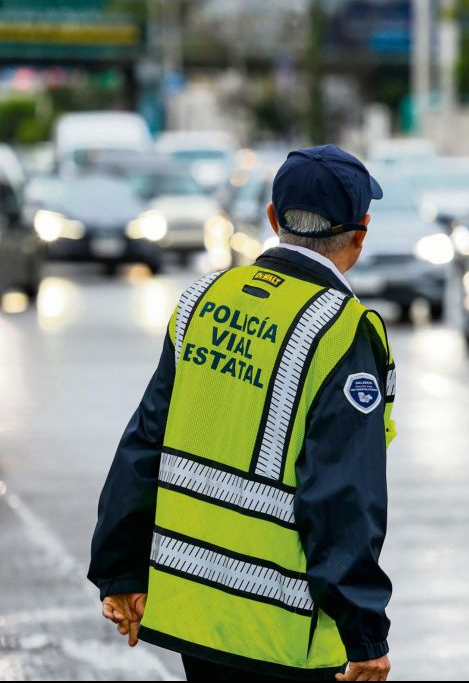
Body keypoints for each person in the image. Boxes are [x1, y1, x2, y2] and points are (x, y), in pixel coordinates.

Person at [89, 145, 396, 682]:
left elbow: (145, 441)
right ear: (360, 234)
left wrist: (121, 569)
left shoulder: (203, 300)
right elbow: (342, 492)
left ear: (273, 219)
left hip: (193, 614)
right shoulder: (343, 331)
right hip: (280, 628)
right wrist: (364, 632)